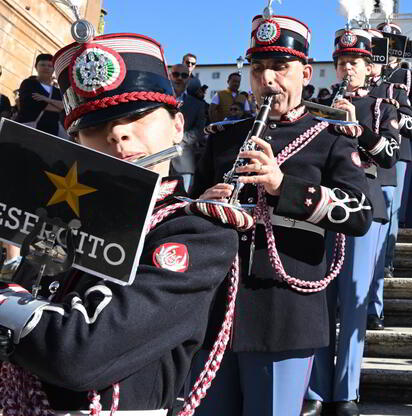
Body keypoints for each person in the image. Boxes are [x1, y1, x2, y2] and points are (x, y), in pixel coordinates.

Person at [0, 31, 238, 414]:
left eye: (137, 116)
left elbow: (78, 354)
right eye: (95, 126)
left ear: (177, 126)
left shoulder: (196, 233)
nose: (117, 133)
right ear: (76, 142)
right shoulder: (59, 219)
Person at [191, 0, 372, 416]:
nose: (268, 79)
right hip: (214, 307)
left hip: (283, 310)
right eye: (258, 68)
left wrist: (281, 185)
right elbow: (182, 207)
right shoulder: (222, 136)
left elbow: (360, 214)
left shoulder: (331, 137)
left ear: (306, 72)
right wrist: (201, 206)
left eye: (280, 67)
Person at [304, 26, 400, 416]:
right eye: (342, 62)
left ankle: (346, 391)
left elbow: (390, 154)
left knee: (353, 302)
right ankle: (315, 391)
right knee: (320, 299)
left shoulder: (381, 106)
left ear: (368, 67)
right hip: (321, 207)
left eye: (354, 63)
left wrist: (357, 129)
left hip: (365, 205)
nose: (347, 69)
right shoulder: (316, 104)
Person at [366, 24, 412, 331]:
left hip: (394, 151)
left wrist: (397, 118)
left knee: (391, 208)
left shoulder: (402, 79)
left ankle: (387, 257)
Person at [167, 62, 207, 193]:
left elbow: (199, 131)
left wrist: (176, 140)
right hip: (157, 160)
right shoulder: (159, 100)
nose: (179, 78)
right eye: (176, 74)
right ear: (169, 76)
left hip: (183, 163)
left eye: (184, 75)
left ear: (189, 79)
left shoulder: (197, 105)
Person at [16, 53, 63, 136]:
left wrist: (46, 99)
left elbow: (65, 108)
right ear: (36, 67)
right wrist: (57, 105)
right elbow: (28, 104)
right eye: (42, 65)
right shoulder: (28, 83)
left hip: (51, 135)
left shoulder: (58, 91)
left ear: (53, 69)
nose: (46, 68)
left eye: (49, 66)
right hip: (26, 130)